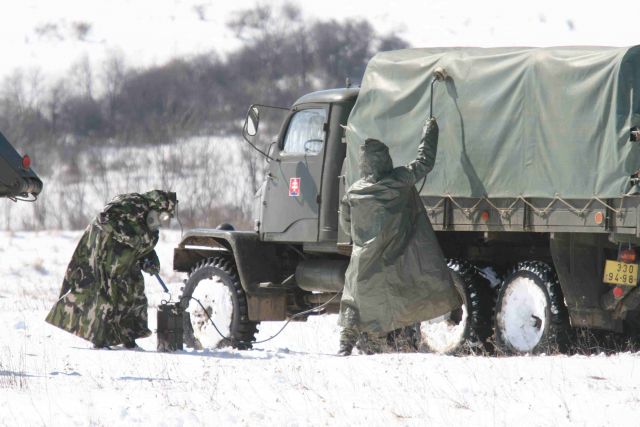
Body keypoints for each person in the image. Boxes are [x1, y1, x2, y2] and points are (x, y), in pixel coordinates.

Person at [338, 117, 461, 356]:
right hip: (391, 256)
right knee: (388, 300)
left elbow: (346, 226)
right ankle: (376, 342)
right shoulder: (399, 181)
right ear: (386, 160)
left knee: (354, 299)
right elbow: (424, 162)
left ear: (364, 164)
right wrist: (430, 131)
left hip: (362, 259)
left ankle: (345, 345)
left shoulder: (353, 193)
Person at [45, 190, 177, 349]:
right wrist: (129, 237)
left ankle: (128, 339)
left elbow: (144, 243)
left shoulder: (150, 222)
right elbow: (104, 219)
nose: (162, 220)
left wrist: (149, 260)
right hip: (105, 255)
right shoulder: (132, 203)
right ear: (156, 206)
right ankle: (99, 341)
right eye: (162, 214)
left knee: (134, 294)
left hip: (125, 261)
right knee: (105, 298)